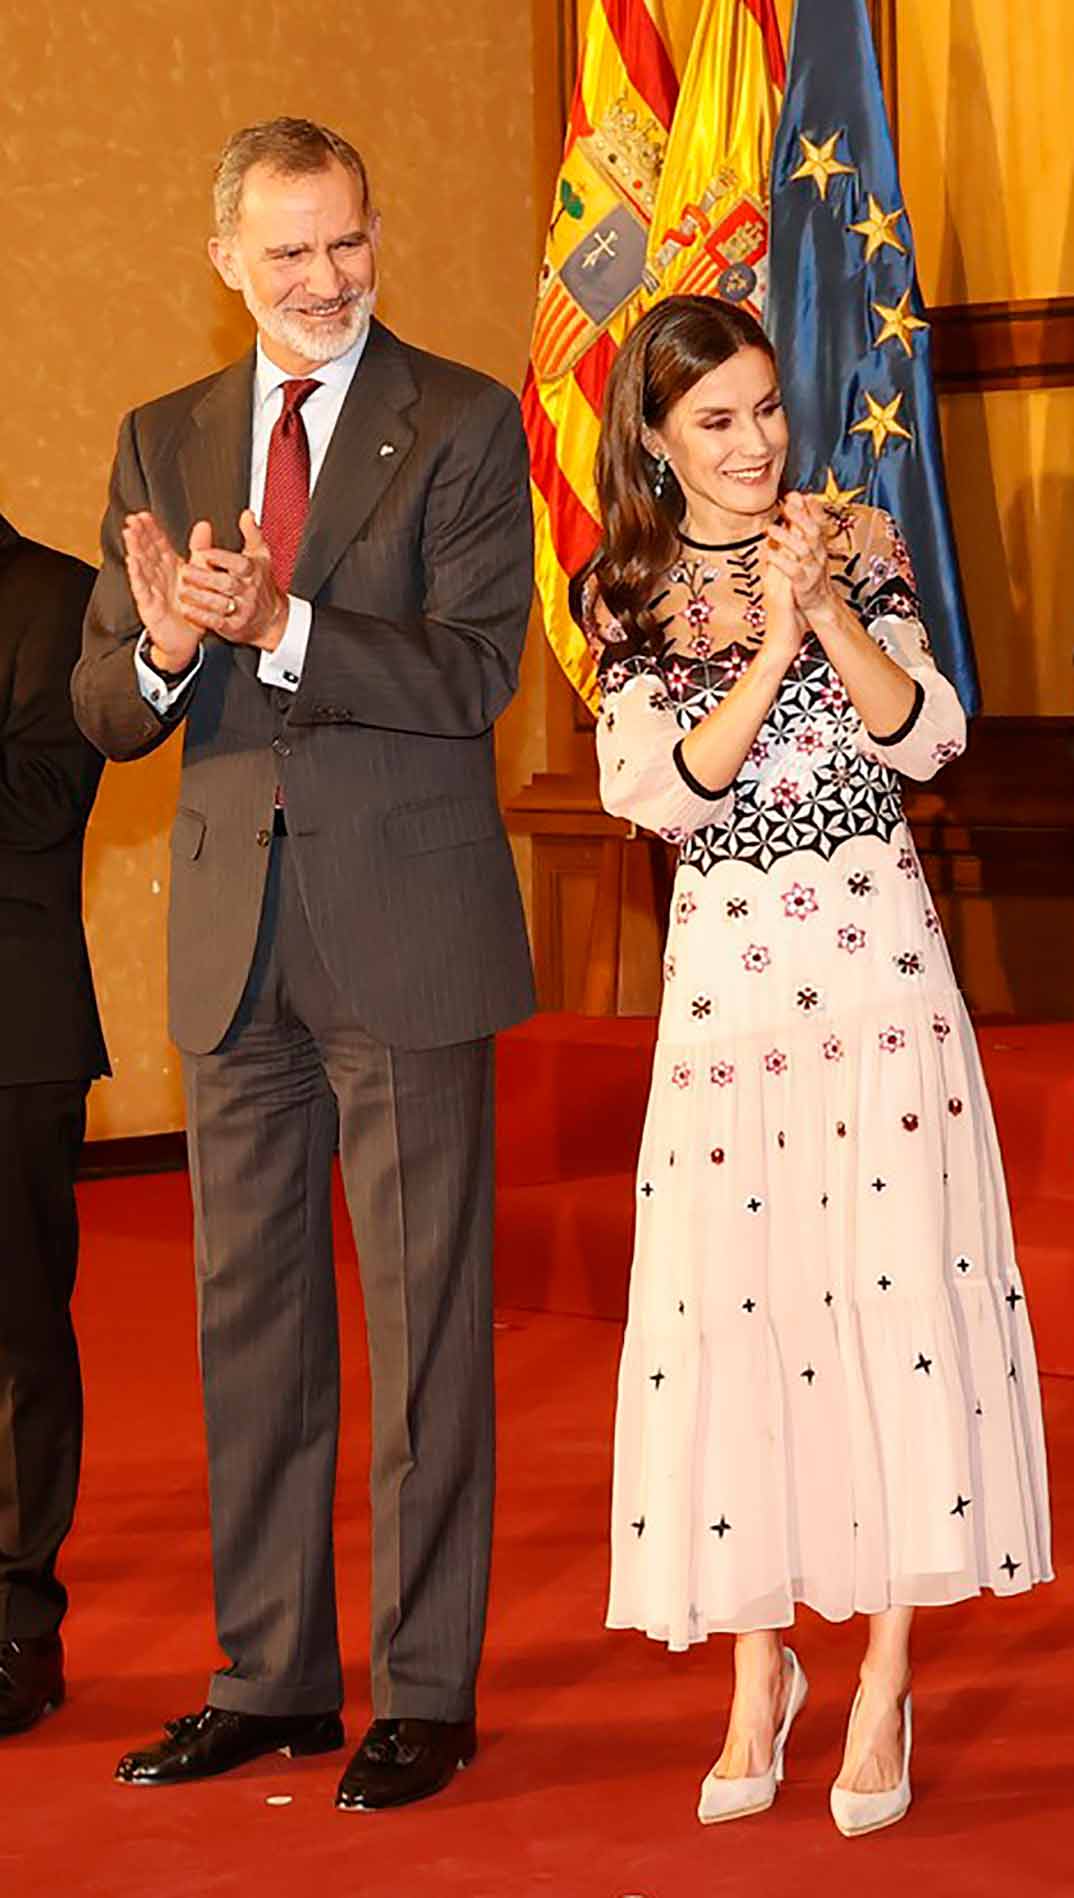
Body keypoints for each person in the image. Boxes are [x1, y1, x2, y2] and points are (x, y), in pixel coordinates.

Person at [72, 117, 534, 1811]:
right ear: (226, 264)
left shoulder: (465, 418)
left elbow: (478, 672)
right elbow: (105, 711)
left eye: (346, 241)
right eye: (288, 252)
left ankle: (424, 1685)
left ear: (371, 232)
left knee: (424, 1333)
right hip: (230, 940)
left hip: (404, 934)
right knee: (249, 1323)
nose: (325, 279)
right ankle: (268, 1673)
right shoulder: (160, 434)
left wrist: (285, 627)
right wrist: (172, 635)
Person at [575, 295, 1052, 1837]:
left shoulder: (854, 536)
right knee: (747, 1303)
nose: (752, 442)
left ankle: (883, 1675)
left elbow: (926, 738)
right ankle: (755, 1666)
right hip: (730, 992)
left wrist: (830, 612)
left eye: (767, 409)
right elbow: (664, 791)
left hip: (877, 974)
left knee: (893, 1289)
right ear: (653, 438)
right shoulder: (624, 591)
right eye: (712, 420)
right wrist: (765, 638)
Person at [0, 513, 109, 1737]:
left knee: (16, 1338)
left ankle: (18, 1623)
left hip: (13, 1026)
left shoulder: (55, 594)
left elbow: (41, 803)